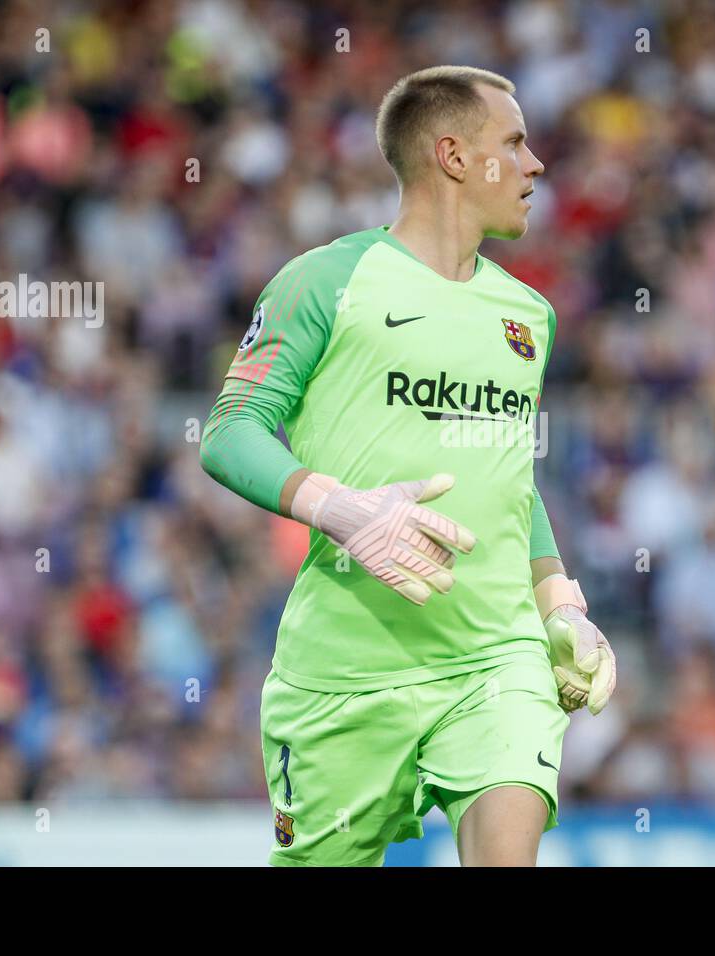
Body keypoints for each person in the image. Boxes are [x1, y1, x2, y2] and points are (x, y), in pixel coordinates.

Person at [200, 65, 616, 866]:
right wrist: (341, 509)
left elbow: (509, 477)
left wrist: (559, 601)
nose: (536, 166)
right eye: (516, 143)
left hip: (494, 656)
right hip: (345, 672)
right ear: (454, 155)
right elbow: (229, 431)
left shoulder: (528, 315)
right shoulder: (326, 282)